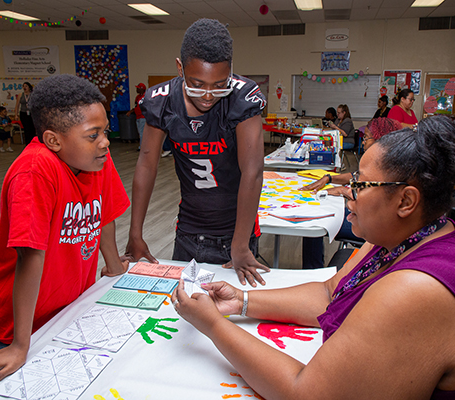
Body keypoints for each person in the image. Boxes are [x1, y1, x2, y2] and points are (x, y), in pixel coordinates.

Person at [171, 115, 455, 399]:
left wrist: (214, 327)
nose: (347, 191)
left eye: (361, 184)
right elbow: (331, 293)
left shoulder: (416, 290)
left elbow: (307, 392)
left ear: (407, 201)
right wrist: (243, 301)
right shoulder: (404, 237)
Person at [0, 74, 131, 386]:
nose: (105, 141)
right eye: (93, 134)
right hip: (14, 325)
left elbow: (105, 214)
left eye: (105, 132)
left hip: (62, 311)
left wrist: (112, 267)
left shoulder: (96, 157)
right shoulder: (34, 173)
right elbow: (30, 257)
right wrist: (19, 344)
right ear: (54, 140)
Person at [125, 18, 270, 287]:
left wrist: (239, 244)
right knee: (181, 316)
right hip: (189, 230)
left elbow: (253, 171)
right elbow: (147, 165)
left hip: (236, 232)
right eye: (197, 83)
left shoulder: (242, 97)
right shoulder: (162, 101)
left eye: (219, 84)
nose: (207, 95)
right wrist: (135, 232)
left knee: (232, 318)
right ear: (180, 68)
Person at [300, 117, 404, 269]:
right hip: (369, 217)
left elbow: (369, 200)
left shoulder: (387, 170)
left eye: (366, 138)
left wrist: (344, 191)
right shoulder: (386, 162)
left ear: (380, 141)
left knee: (314, 221)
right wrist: (329, 178)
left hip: (373, 224)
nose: (363, 142)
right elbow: (354, 176)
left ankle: (313, 270)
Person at [126, 82, 146, 151]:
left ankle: (142, 147)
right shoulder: (137, 97)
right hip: (138, 117)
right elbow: (136, 106)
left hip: (143, 117)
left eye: (137, 88)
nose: (136, 90)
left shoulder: (145, 96)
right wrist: (130, 111)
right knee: (140, 132)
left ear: (141, 89)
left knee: (142, 133)